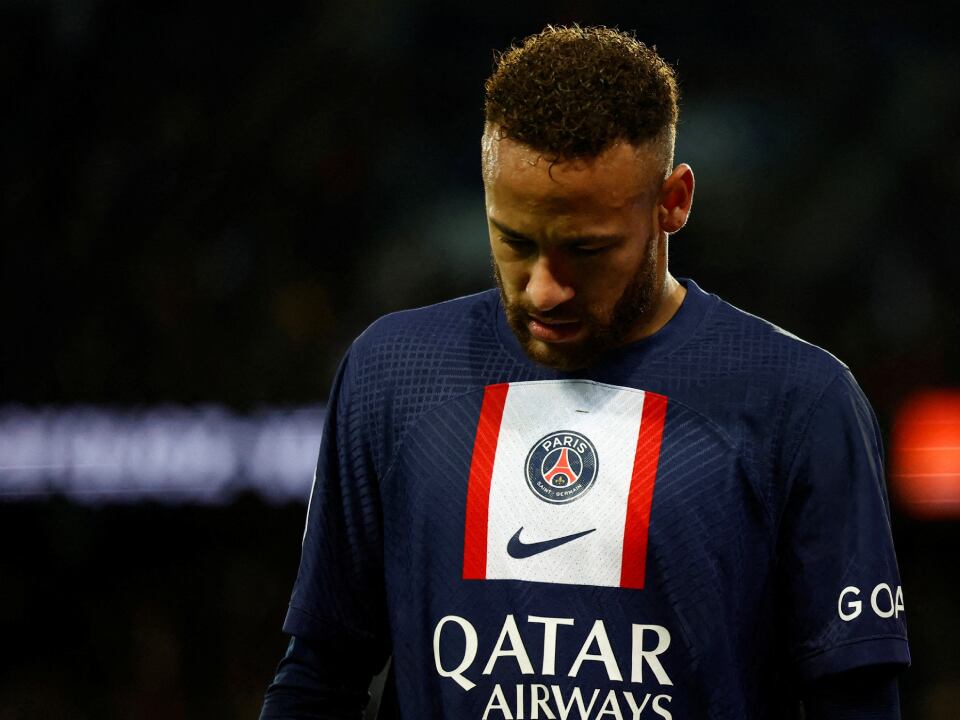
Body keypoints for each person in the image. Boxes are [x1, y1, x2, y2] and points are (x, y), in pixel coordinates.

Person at [261, 25, 908, 720]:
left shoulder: (800, 401)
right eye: (514, 242)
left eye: (586, 250)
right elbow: (320, 675)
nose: (543, 289)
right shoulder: (395, 372)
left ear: (673, 202)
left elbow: (855, 703)